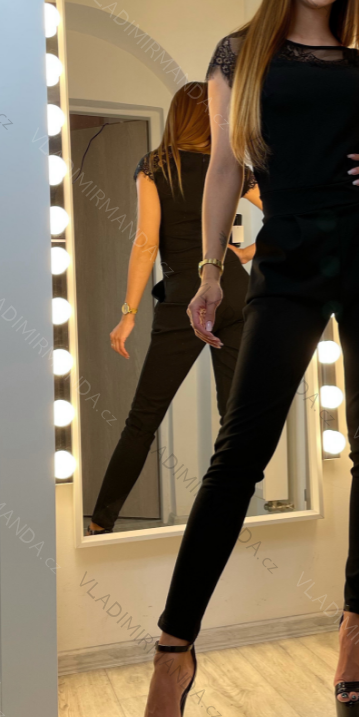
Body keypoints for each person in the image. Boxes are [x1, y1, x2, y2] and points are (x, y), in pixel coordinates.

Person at [134, 0, 359, 717]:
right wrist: (208, 271)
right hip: (290, 260)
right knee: (238, 456)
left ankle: (355, 625)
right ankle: (173, 655)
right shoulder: (240, 54)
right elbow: (226, 165)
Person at [87, 81, 261, 536]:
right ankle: (226, 518)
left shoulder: (156, 166)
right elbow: (288, 212)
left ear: (177, 116)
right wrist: (243, 255)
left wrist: (128, 312)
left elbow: (146, 244)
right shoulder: (232, 167)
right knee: (235, 417)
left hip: (186, 296)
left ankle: (102, 520)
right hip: (235, 293)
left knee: (144, 417)